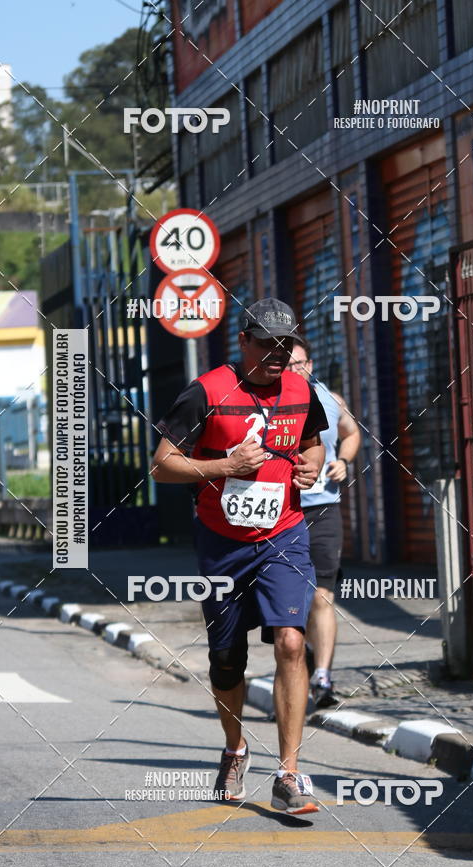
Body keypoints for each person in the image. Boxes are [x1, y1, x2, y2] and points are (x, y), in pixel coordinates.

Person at [151, 299, 328, 815]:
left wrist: (311, 468)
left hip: (285, 534)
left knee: (292, 643)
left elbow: (313, 443)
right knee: (228, 659)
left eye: (286, 345)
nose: (277, 355)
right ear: (243, 341)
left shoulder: (300, 390)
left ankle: (289, 773)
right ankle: (234, 748)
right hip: (221, 542)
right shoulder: (207, 391)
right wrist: (225, 464)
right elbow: (162, 465)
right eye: (267, 344)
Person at [287, 338, 361, 708]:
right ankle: (302, 663)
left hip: (323, 508)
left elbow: (352, 434)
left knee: (323, 596)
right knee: (291, 602)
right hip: (283, 512)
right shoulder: (271, 402)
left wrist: (344, 461)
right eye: (286, 364)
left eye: (299, 364)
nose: (293, 370)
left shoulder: (331, 401)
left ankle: (323, 678)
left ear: (310, 365)